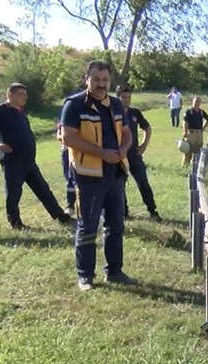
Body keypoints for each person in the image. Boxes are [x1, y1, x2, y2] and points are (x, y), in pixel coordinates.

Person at [60, 60, 134, 291]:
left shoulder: (115, 104)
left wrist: (122, 150)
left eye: (105, 80)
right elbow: (68, 138)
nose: (102, 84)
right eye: (96, 80)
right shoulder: (74, 105)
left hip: (115, 174)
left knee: (116, 225)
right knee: (88, 225)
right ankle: (85, 275)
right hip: (89, 176)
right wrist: (102, 153)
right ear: (86, 79)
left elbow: (126, 133)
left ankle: (114, 271)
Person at [0, 82, 73, 230]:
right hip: (13, 161)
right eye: (21, 95)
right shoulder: (0, 111)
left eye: (25, 95)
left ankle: (60, 216)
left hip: (29, 161)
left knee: (43, 189)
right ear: (10, 95)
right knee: (13, 194)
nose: (25, 98)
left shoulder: (20, 110)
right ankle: (16, 223)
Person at [116, 86, 160, 221]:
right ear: (118, 97)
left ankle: (153, 211)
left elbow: (147, 128)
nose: (126, 100)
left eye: (128, 97)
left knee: (143, 183)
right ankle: (124, 213)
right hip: (119, 156)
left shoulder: (135, 113)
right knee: (119, 187)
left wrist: (144, 145)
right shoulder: (113, 113)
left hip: (134, 155)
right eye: (123, 97)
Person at [56, 119, 76, 215]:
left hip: (82, 152)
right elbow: (59, 135)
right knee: (69, 178)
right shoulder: (66, 114)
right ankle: (70, 205)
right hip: (67, 151)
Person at [182, 96, 208, 167]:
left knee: (198, 150)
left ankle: (195, 166)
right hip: (191, 132)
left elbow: (207, 118)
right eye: (196, 101)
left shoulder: (201, 112)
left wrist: (203, 128)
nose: (197, 103)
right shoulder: (189, 111)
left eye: (198, 102)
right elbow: (185, 121)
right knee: (188, 150)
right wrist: (185, 131)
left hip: (199, 133)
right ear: (192, 102)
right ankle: (185, 165)